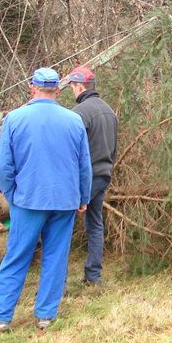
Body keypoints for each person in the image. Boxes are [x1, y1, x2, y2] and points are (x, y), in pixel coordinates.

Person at [0, 67, 91, 333]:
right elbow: (83, 166)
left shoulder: (14, 119)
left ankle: (1, 317)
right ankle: (45, 314)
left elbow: (4, 166)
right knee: (56, 257)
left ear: (32, 88)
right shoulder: (73, 120)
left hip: (28, 200)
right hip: (64, 201)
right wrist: (83, 197)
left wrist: (13, 196)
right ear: (58, 90)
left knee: (17, 256)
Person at [66, 66, 118, 286]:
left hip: (84, 180)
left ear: (79, 86)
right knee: (95, 224)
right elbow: (114, 147)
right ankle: (93, 276)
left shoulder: (79, 114)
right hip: (104, 176)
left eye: (72, 87)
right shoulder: (109, 111)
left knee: (62, 227)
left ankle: (60, 281)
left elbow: (71, 152)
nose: (72, 92)